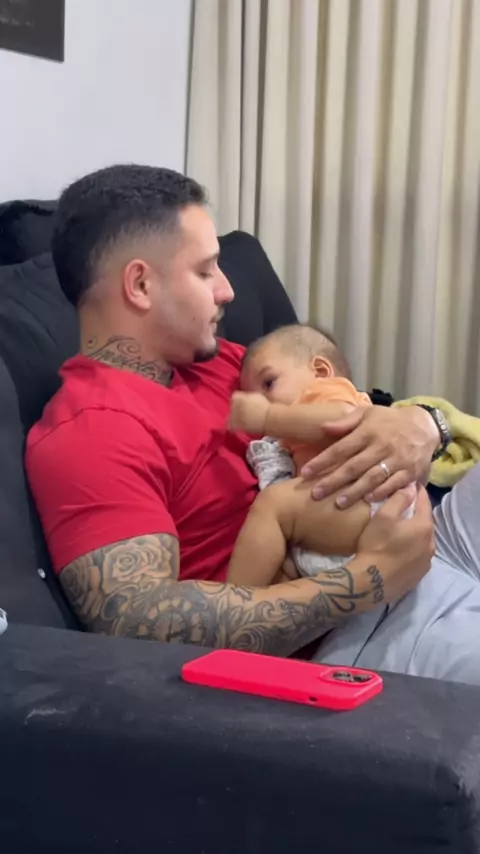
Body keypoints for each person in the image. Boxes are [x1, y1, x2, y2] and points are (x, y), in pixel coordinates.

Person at [26, 164, 439, 663]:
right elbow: (138, 623)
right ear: (140, 285)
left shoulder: (226, 363)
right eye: (205, 271)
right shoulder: (91, 431)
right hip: (357, 630)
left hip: (418, 545)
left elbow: (339, 403)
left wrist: (422, 425)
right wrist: (371, 578)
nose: (227, 290)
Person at [227, 324, 414, 587]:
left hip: (368, 502)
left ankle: (233, 601)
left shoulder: (327, 391)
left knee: (271, 506)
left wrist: (268, 416)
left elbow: (343, 419)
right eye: (253, 397)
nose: (261, 402)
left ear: (321, 371)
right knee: (280, 564)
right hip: (337, 516)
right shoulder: (288, 432)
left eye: (268, 383)